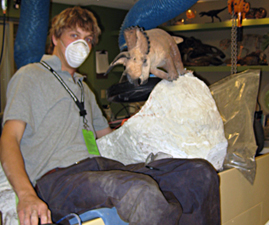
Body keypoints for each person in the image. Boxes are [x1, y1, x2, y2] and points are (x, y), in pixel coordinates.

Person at [0, 6, 221, 225]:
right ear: (56, 38)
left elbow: (108, 135)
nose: (82, 44)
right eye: (74, 35)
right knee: (140, 193)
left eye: (87, 39)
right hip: (57, 180)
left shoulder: (83, 89)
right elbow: (9, 138)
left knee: (199, 174)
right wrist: (26, 195)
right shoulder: (30, 76)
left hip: (99, 167)